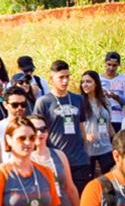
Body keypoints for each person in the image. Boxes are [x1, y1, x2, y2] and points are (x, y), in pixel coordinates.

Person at [33, 60, 91, 193]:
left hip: (80, 159)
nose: (65, 81)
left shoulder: (78, 99)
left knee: (81, 198)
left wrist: (86, 151)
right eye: (61, 77)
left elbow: (81, 126)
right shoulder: (43, 102)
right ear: (51, 79)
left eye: (67, 77)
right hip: (56, 159)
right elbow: (38, 131)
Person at [82, 70, 116, 175]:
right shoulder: (79, 101)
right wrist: (86, 135)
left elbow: (109, 125)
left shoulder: (105, 101)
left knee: (110, 180)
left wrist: (116, 141)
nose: (85, 85)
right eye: (83, 82)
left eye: (88, 81)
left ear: (96, 83)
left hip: (106, 147)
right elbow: (75, 126)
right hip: (87, 149)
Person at [100, 51, 125, 132]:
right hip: (101, 119)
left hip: (118, 119)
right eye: (109, 64)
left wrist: (116, 97)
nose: (111, 68)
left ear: (118, 65)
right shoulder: (97, 79)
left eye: (114, 65)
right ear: (105, 63)